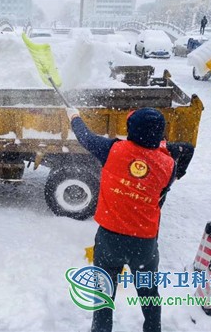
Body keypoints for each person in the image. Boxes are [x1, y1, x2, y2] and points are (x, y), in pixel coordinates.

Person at [66, 107, 193, 332]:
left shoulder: (112, 150)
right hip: (144, 245)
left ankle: (101, 329)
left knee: (103, 292)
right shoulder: (169, 165)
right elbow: (187, 150)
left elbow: (85, 137)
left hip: (109, 242)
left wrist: (74, 116)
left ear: (131, 130)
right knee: (149, 294)